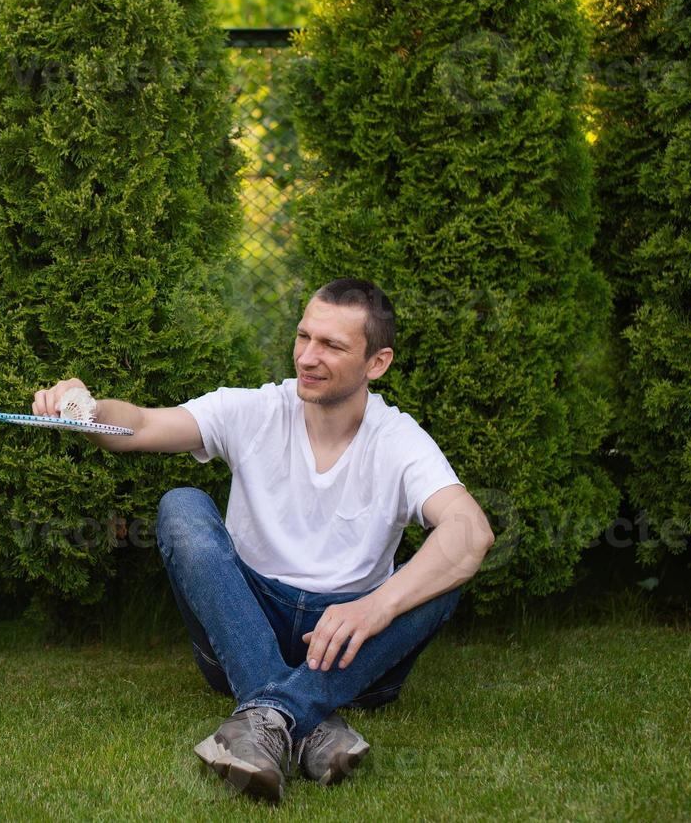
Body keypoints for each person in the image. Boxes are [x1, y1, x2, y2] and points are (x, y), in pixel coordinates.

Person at [33, 278, 495, 805]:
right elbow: (137, 426)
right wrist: (84, 406)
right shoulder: (251, 410)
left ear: (377, 363)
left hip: (349, 650)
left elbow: (470, 530)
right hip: (245, 629)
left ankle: (267, 717)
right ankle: (309, 724)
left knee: (446, 573)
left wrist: (374, 609)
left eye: (332, 346)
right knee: (181, 506)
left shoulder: (398, 440)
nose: (308, 357)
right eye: (304, 337)